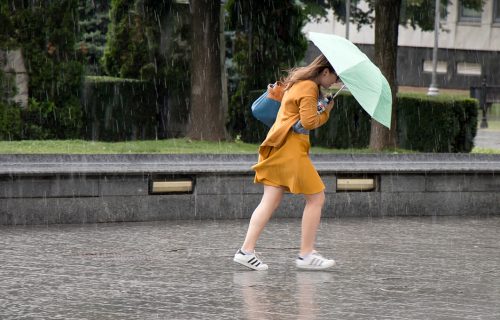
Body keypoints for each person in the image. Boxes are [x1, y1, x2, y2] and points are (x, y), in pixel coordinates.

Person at [233, 54, 339, 271]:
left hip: (276, 147)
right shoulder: (309, 86)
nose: (336, 83)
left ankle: (246, 250)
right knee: (316, 198)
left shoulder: (299, 83)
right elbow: (308, 122)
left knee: (269, 201)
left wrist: (318, 106)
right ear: (325, 71)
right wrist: (326, 112)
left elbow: (299, 117)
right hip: (290, 151)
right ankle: (306, 254)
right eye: (336, 78)